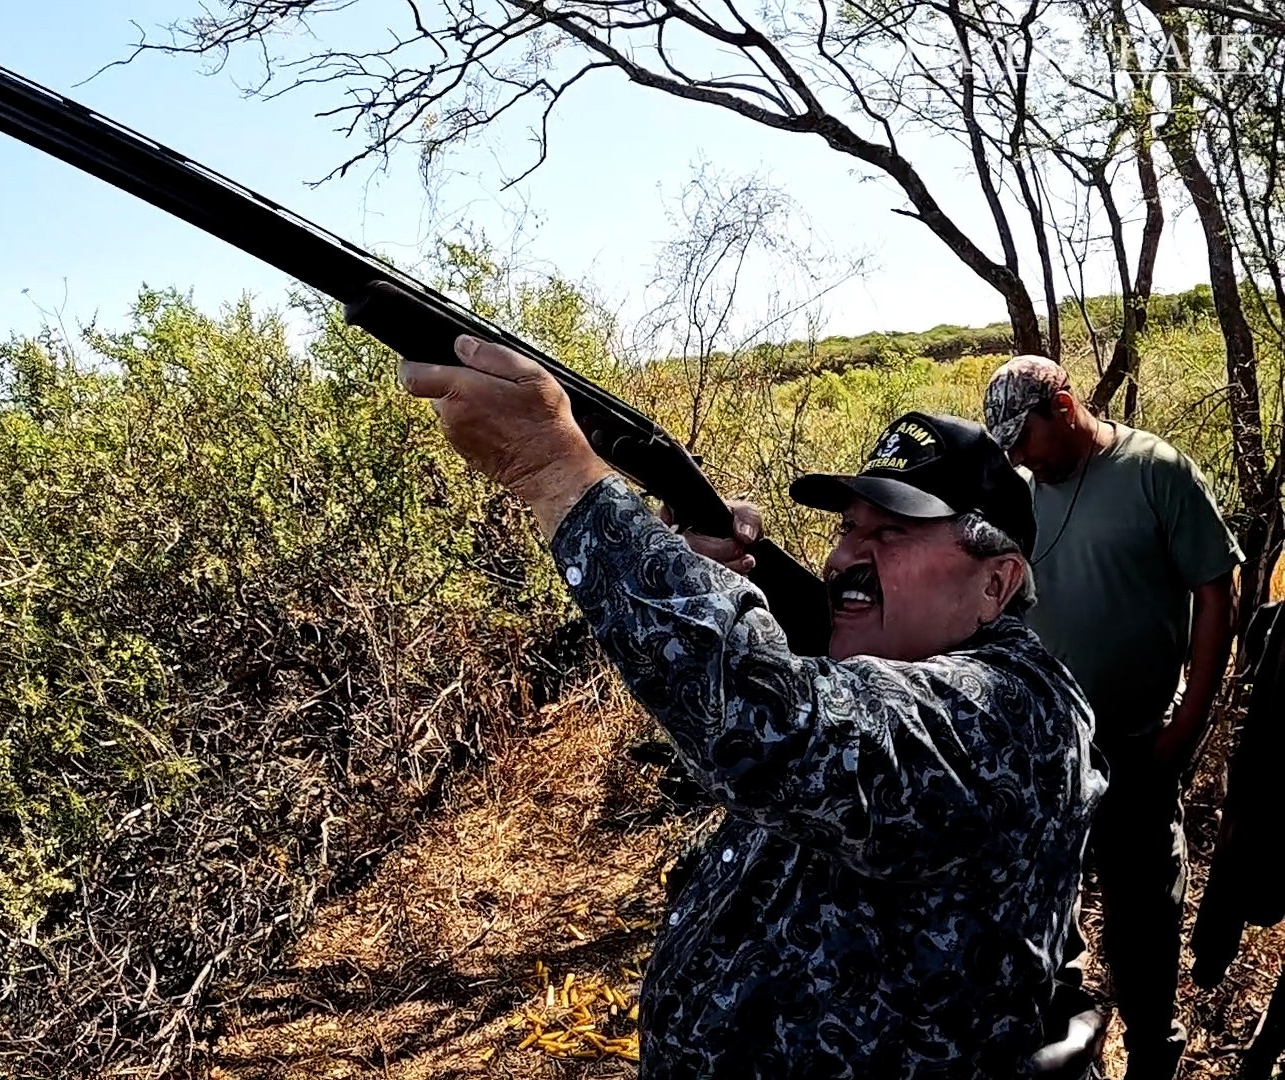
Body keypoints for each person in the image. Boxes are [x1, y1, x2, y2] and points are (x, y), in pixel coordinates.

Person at [400, 335, 1105, 1077]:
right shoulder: (887, 667)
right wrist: (703, 574)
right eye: (848, 528)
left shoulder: (1017, 713)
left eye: (891, 533)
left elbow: (771, 724)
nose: (844, 558)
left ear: (996, 583)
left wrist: (555, 473)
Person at [983, 356, 1242, 1080]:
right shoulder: (1020, 494)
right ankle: (1062, 1049)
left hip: (1135, 745)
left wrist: (1186, 727)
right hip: (1046, 750)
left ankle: (1154, 1048)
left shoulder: (1154, 470)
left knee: (1143, 914)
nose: (1019, 455)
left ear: (1064, 407)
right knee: (1044, 911)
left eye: (1025, 436)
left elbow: (1216, 593)